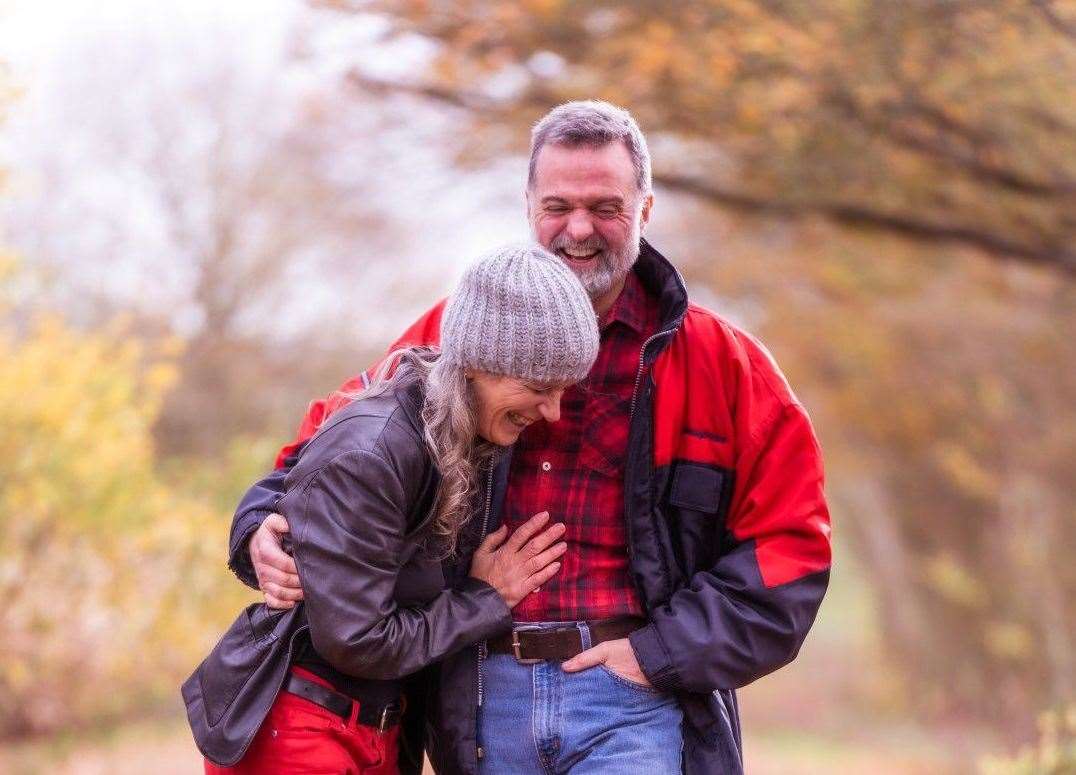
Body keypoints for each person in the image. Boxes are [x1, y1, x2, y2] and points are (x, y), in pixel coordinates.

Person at [227, 101, 833, 775]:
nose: (579, 228)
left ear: (646, 209)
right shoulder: (451, 338)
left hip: (634, 697)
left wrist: (659, 653)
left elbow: (792, 551)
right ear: (527, 207)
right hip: (482, 694)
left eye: (605, 206)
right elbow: (324, 458)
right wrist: (261, 524)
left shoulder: (725, 367)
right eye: (557, 206)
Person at [183, 243, 601, 773]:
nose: (554, 412)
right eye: (539, 388)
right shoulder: (375, 447)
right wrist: (485, 598)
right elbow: (357, 640)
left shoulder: (467, 427)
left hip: (378, 726)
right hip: (301, 729)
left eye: (563, 390)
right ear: (476, 364)